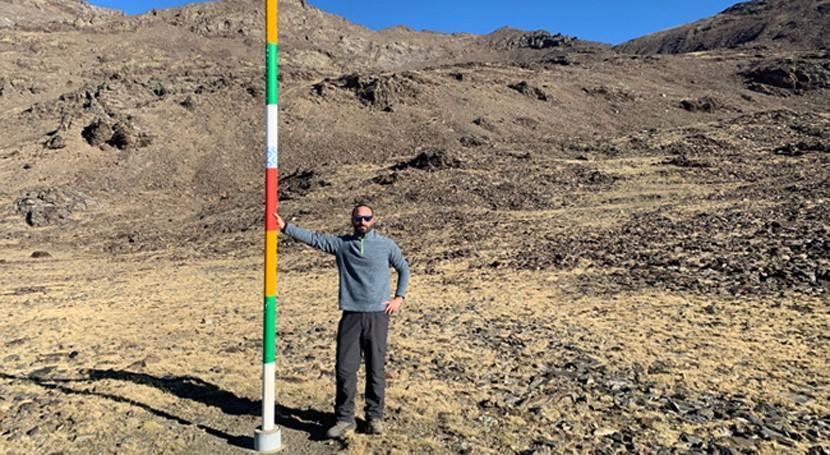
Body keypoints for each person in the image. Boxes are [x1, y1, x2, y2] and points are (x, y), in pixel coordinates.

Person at [274, 204, 410, 438]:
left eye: (367, 218)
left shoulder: (386, 245)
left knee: (375, 369)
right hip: (350, 316)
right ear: (352, 220)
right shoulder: (342, 245)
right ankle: (345, 418)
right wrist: (286, 227)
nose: (363, 222)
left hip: (378, 316)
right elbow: (314, 239)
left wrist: (399, 297)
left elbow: (403, 268)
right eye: (358, 218)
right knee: (345, 369)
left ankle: (374, 417)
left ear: (373, 220)